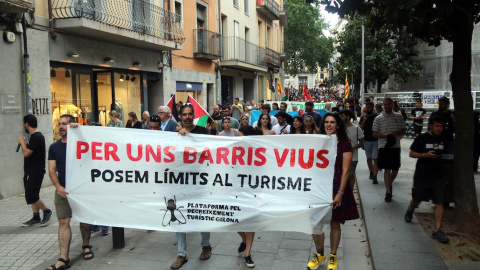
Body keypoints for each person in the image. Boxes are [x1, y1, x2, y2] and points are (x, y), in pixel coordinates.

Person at [307, 112, 359, 270]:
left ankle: (333, 255)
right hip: (318, 186)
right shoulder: (319, 141)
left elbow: (345, 171)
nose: (329, 125)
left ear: (338, 125)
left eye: (332, 122)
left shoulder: (344, 143)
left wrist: (340, 193)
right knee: (315, 223)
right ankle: (319, 253)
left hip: (337, 186)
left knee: (335, 224)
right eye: (326, 122)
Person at [47, 115, 94, 270]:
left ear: (71, 125)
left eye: (65, 124)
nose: (61, 126)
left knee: (85, 218)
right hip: (63, 189)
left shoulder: (81, 143)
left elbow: (93, 148)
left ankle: (86, 245)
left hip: (82, 189)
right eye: (59, 124)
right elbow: (52, 170)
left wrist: (80, 131)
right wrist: (58, 187)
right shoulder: (54, 147)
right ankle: (63, 258)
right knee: (63, 221)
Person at [171, 104, 212, 269]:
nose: (187, 117)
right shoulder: (176, 135)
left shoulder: (203, 131)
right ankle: (181, 254)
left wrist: (188, 135)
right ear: (180, 116)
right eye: (184, 114)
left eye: (190, 114)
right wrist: (181, 136)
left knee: (201, 213)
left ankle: (206, 245)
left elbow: (205, 150)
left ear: (194, 115)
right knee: (178, 213)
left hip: (200, 180)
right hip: (181, 181)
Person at [404, 115, 450, 243]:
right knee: (417, 199)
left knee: (439, 202)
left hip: (438, 176)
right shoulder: (422, 138)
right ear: (430, 125)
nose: (439, 129)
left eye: (441, 126)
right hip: (422, 176)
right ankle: (410, 209)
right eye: (436, 126)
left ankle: (437, 230)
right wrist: (425, 155)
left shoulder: (444, 138)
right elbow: (411, 153)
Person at [18, 114, 52, 227]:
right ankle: (36, 216)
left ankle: (46, 211)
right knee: (29, 194)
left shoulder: (37, 137)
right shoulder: (33, 137)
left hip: (35, 172)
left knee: (32, 195)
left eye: (24, 124)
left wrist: (22, 142)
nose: (24, 126)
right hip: (30, 171)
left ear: (27, 124)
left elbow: (27, 153)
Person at [372, 97, 406, 202]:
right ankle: (388, 191)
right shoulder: (378, 118)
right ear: (383, 105)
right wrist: (384, 135)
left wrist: (398, 133)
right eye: (385, 104)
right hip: (383, 146)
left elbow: (404, 130)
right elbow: (374, 134)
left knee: (395, 169)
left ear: (392, 105)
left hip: (395, 146)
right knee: (387, 169)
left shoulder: (399, 116)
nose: (387, 106)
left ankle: (389, 184)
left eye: (389, 104)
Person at [429, 96, 455, 207]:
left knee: (448, 170)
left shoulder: (451, 115)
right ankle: (436, 197)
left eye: (443, 103)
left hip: (448, 143)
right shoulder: (435, 114)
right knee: (436, 169)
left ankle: (446, 199)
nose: (440, 104)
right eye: (439, 103)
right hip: (436, 143)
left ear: (448, 104)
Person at [340, 109, 364, 189]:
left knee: (350, 175)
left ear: (348, 117)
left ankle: (350, 194)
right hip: (340, 156)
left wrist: (352, 147)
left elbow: (361, 142)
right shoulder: (339, 128)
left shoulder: (356, 129)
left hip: (353, 157)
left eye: (342, 116)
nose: (341, 118)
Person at [359, 102, 379, 184]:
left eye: (369, 107)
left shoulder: (377, 117)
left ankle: (375, 175)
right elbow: (360, 128)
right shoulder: (364, 116)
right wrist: (364, 121)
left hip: (376, 140)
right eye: (367, 107)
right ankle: (371, 171)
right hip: (367, 139)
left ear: (373, 107)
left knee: (376, 158)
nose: (368, 109)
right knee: (369, 157)